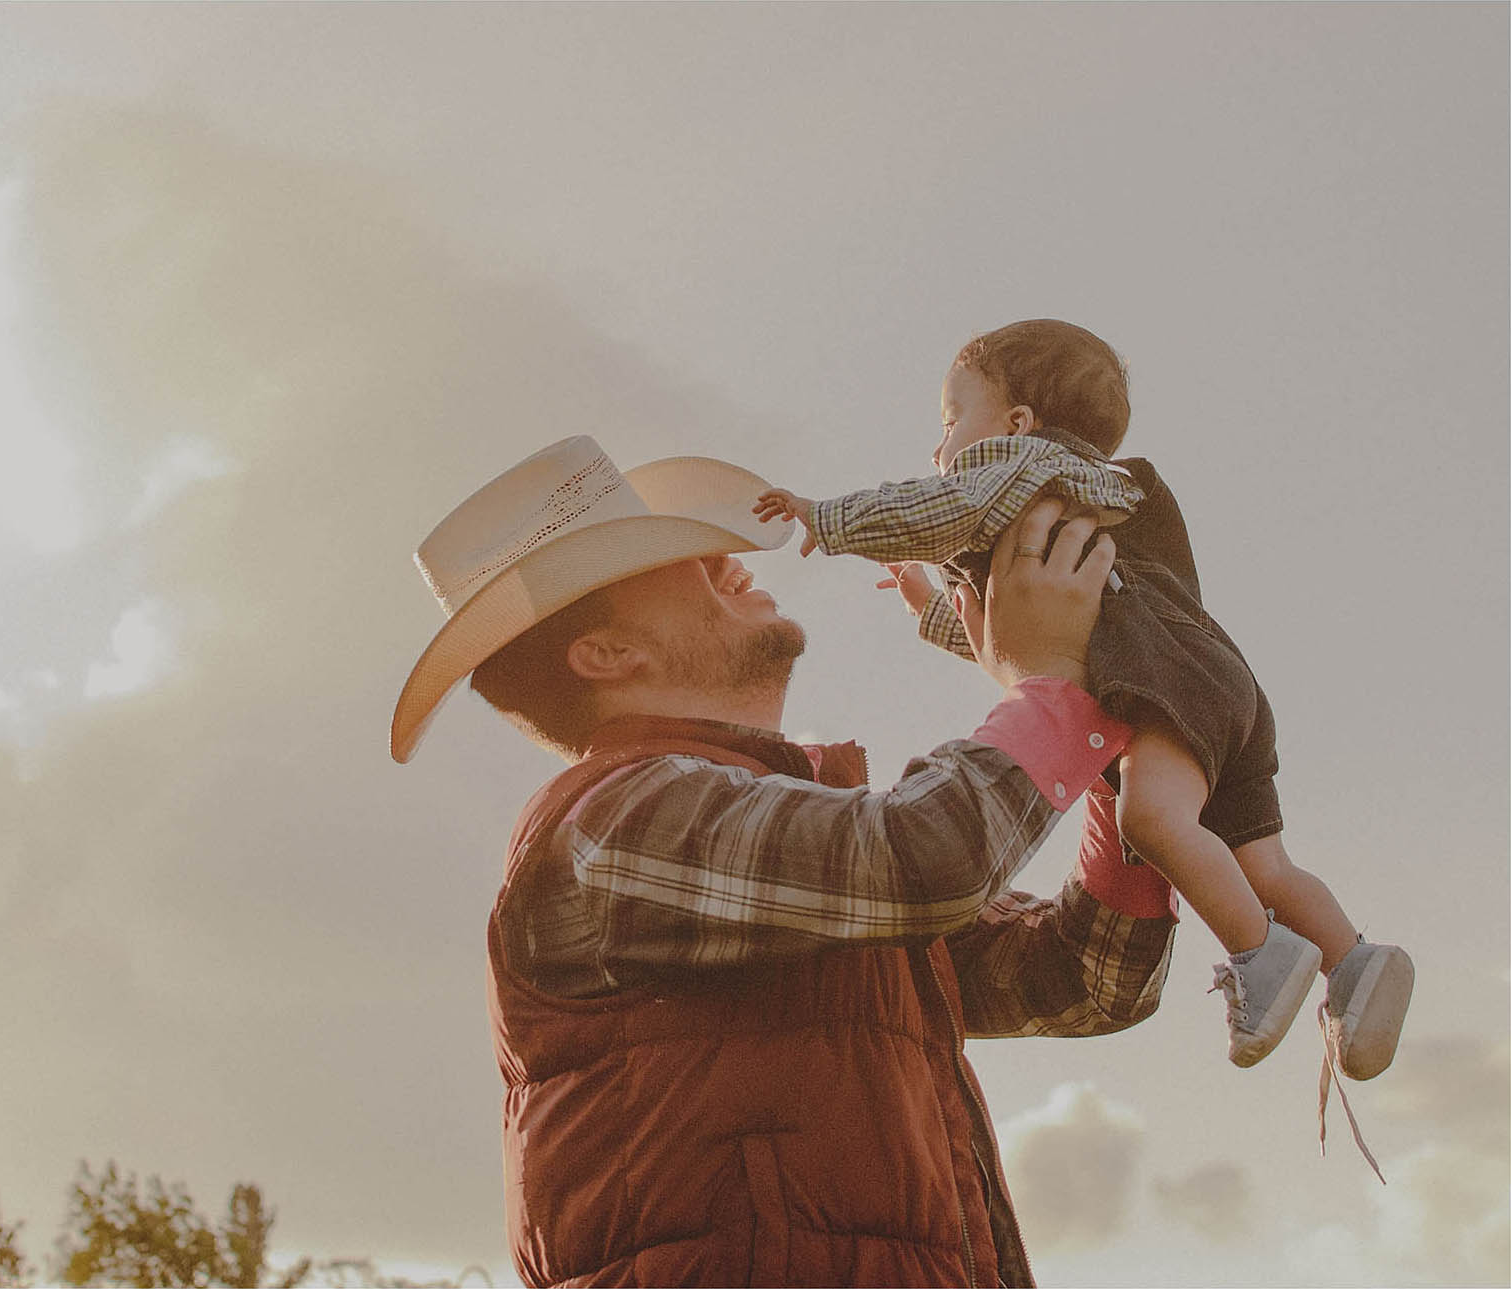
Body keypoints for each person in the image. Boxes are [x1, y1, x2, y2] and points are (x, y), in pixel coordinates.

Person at [392, 434, 1176, 1288]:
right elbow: (928, 859)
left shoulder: (795, 841)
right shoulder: (607, 822)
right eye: (679, 558)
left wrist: (1126, 755)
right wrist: (1057, 684)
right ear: (610, 654)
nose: (726, 559)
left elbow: (1089, 977)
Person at [752, 319, 1413, 1086]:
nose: (940, 449)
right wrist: (933, 610)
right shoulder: (1105, 495)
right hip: (1217, 683)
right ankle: (1357, 966)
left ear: (1017, 422)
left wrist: (825, 518)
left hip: (1160, 690)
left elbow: (933, 510)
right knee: (1262, 860)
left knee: (1150, 819)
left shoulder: (1016, 465)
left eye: (948, 421)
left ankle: (1261, 953)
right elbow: (1044, 645)